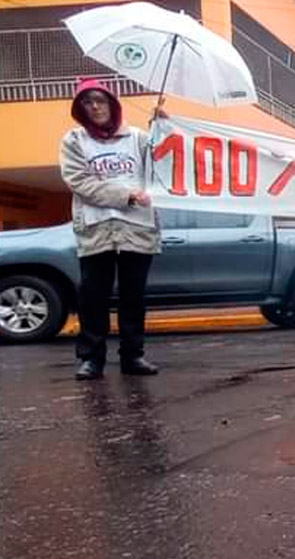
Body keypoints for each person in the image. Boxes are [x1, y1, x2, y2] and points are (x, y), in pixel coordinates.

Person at [60, 79, 160, 380]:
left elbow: (163, 164)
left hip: (137, 228)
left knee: (134, 296)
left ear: (112, 104)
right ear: (80, 109)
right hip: (96, 229)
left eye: (100, 100)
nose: (95, 107)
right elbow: (79, 182)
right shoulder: (74, 140)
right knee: (93, 296)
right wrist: (124, 196)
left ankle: (133, 355)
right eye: (87, 102)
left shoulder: (139, 138)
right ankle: (91, 358)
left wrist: (163, 130)